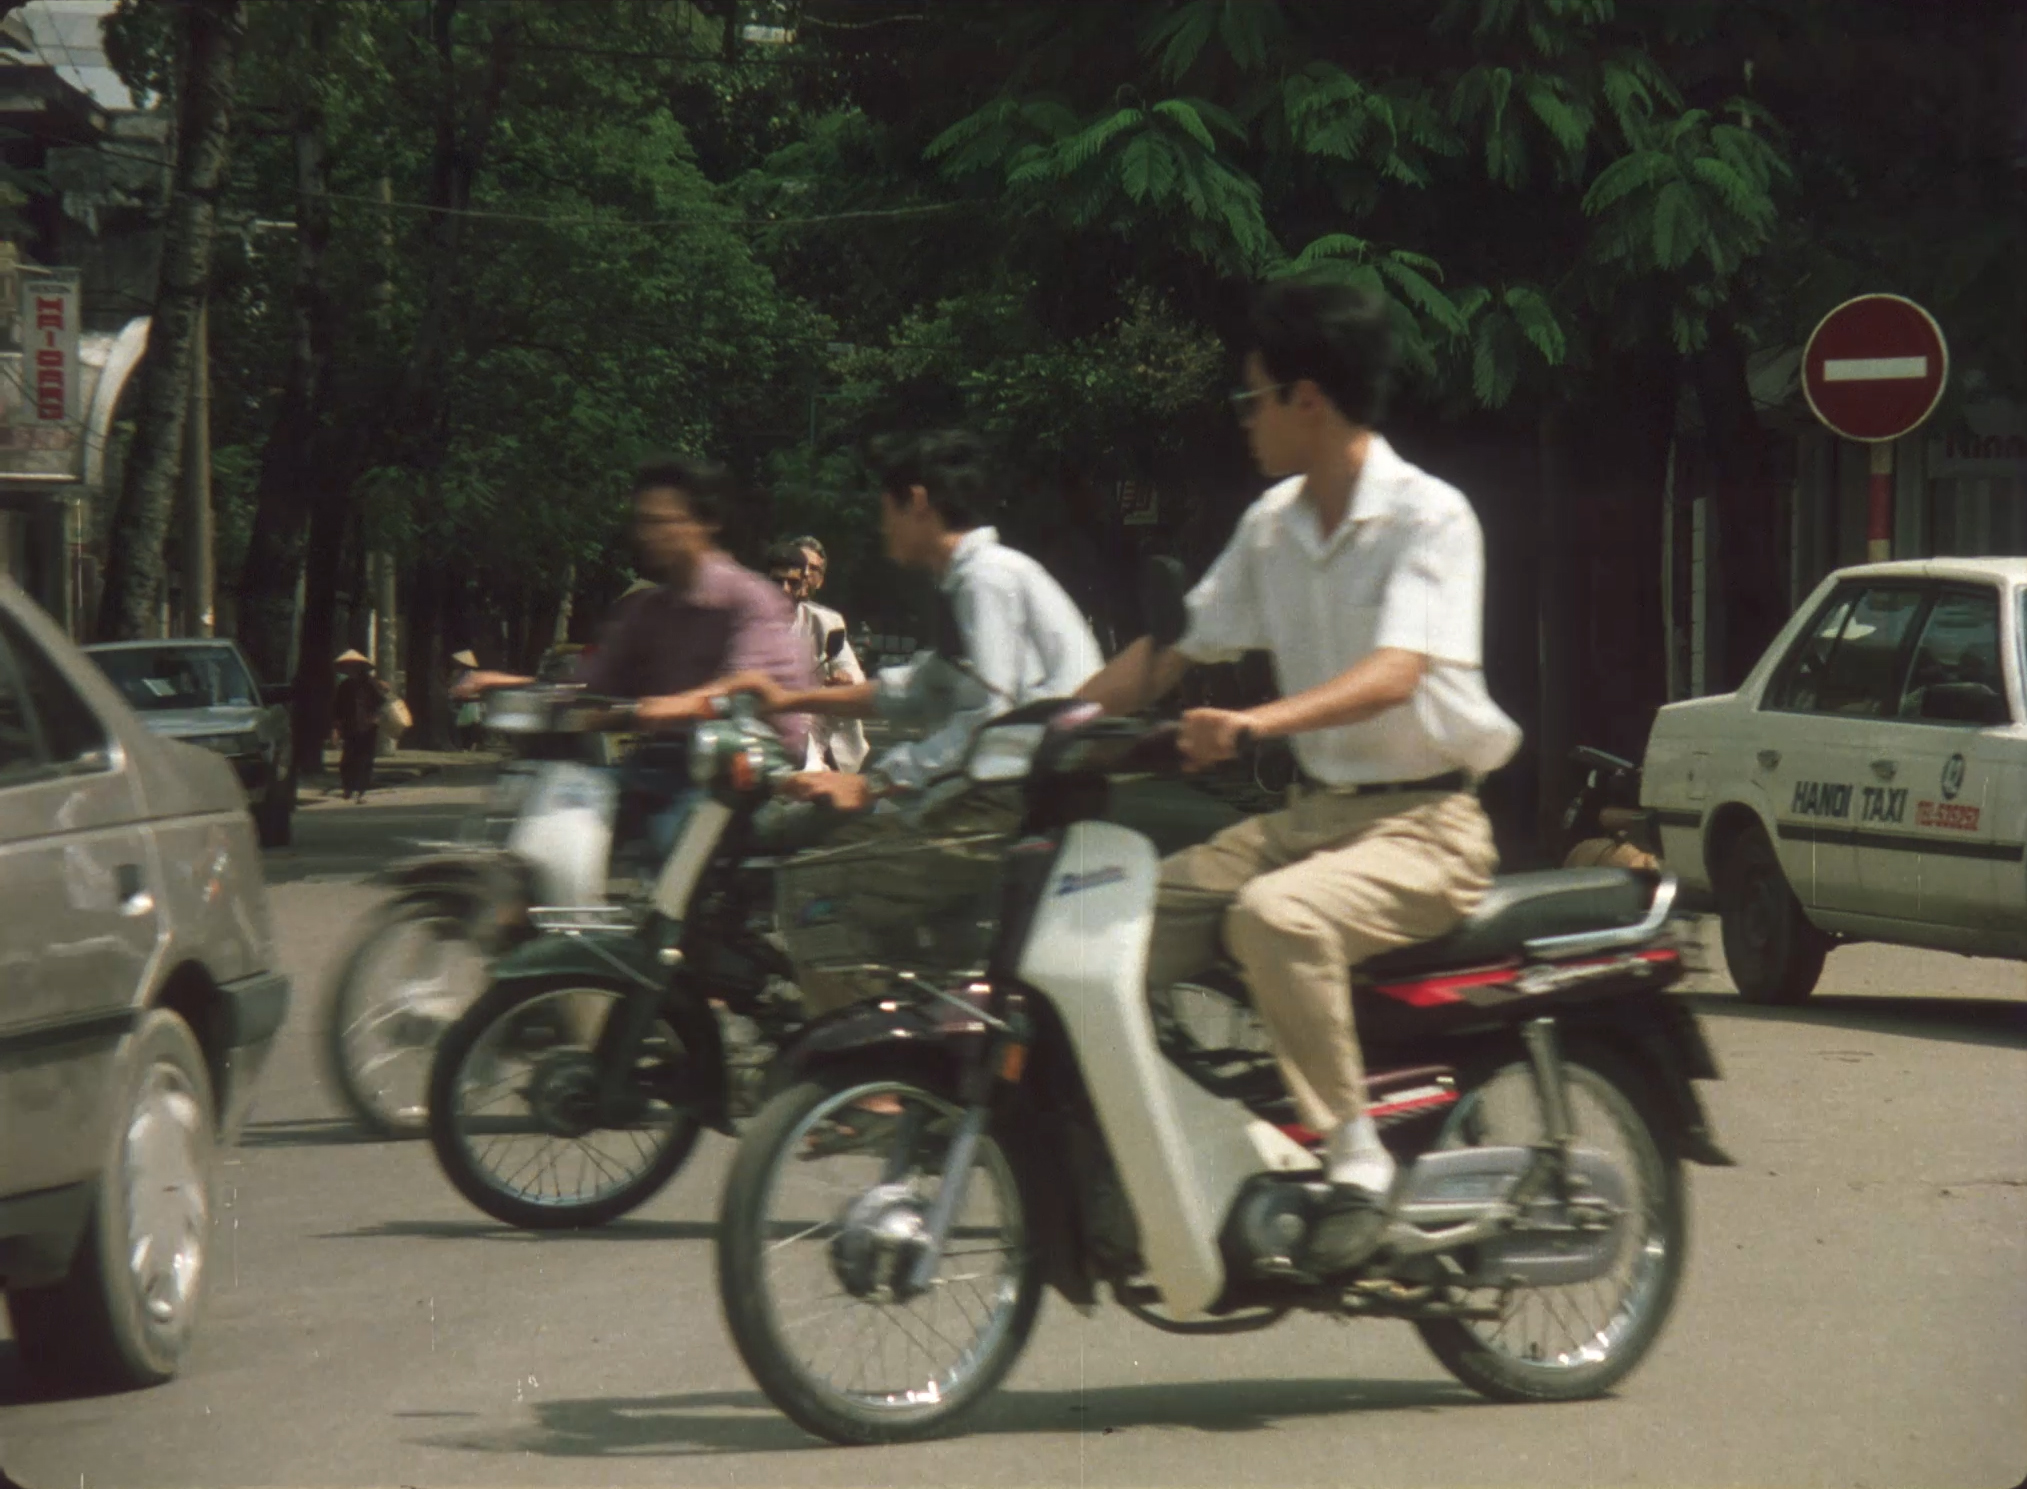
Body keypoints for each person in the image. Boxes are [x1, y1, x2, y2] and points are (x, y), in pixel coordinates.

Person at [1076, 277, 1521, 1235]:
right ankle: (1195, 1142)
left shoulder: (1428, 517)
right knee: (1105, 922)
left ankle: (1354, 1156)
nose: (1244, 422)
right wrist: (1047, 727)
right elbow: (1171, 650)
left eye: (1251, 398)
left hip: (1428, 824)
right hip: (1313, 818)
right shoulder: (1271, 525)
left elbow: (1397, 670)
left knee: (1275, 918)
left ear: (1304, 399)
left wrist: (1255, 724)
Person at [456, 457, 814, 859]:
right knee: (557, 814)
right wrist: (511, 686)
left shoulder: (751, 602)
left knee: (672, 837)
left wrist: (677, 705)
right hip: (662, 764)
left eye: (663, 522)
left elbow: (741, 690)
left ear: (706, 523)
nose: (648, 535)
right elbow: (589, 690)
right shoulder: (646, 609)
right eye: (643, 522)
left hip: (743, 772)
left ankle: (675, 922)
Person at [731, 430, 1103, 816]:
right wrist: (787, 699)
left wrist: (874, 783)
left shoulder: (986, 579)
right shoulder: (967, 580)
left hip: (1027, 794)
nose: (883, 527)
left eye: (887, 511)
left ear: (918, 502)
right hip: (1011, 785)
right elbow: (916, 689)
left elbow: (991, 721)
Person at [764, 539, 869, 772]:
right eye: (776, 581)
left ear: (805, 583)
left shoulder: (825, 622)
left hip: (823, 736)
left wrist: (844, 681)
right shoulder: (748, 624)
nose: (784, 590)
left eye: (793, 581)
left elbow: (854, 677)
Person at [331, 650, 391, 802]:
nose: (350, 669)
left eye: (353, 666)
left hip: (368, 726)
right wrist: (336, 727)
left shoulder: (371, 683)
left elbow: (381, 702)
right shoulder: (344, 685)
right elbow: (337, 707)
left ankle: (360, 789)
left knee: (365, 759)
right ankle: (348, 787)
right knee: (347, 759)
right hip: (349, 726)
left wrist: (375, 718)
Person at [449, 650, 483, 750]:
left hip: (472, 703)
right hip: (461, 704)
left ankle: (472, 745)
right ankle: (464, 746)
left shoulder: (472, 675)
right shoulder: (457, 674)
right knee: (461, 726)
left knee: (472, 726)